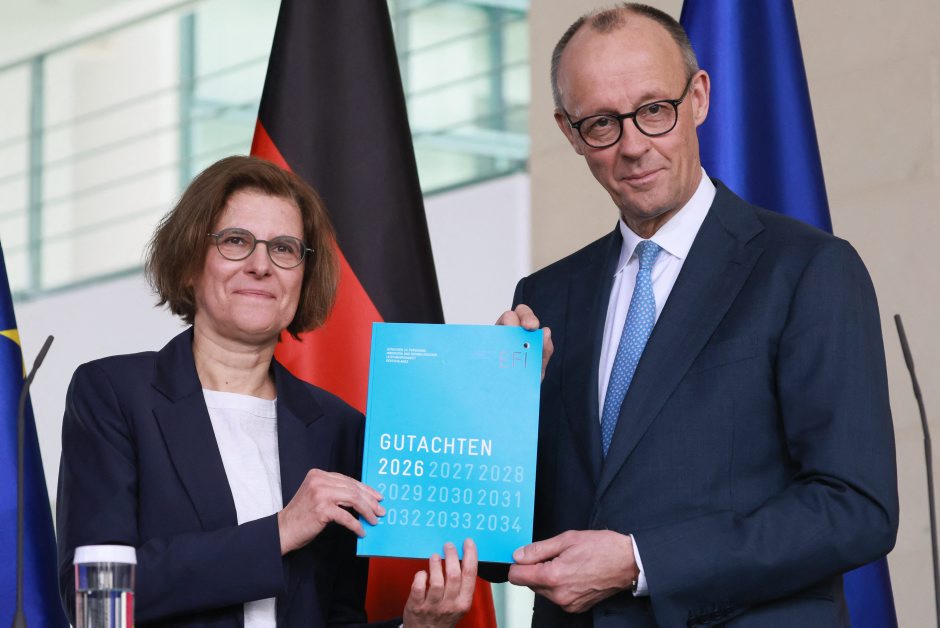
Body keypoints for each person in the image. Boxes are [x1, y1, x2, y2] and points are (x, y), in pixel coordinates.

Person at [495, 4, 898, 626]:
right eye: (601, 123)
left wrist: (641, 562)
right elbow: (519, 532)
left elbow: (855, 508)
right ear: (570, 133)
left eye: (655, 110)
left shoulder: (807, 269)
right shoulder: (545, 296)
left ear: (700, 97)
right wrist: (499, 408)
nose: (634, 146)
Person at [56, 155, 477, 627]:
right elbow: (97, 599)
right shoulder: (114, 394)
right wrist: (280, 531)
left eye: (284, 248)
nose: (261, 265)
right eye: (236, 241)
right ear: (191, 263)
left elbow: (337, 617)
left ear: (303, 277)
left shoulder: (339, 428)